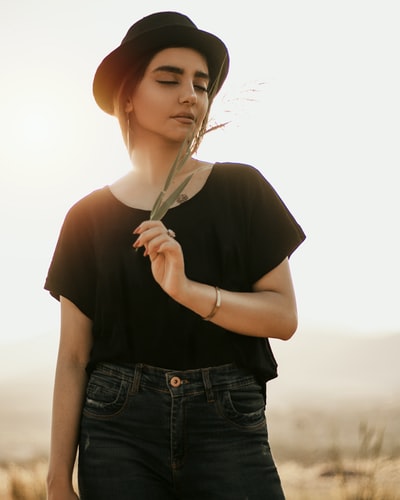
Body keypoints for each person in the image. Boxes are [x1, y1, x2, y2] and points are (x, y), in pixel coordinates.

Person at [45, 11, 305, 500]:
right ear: (127, 95)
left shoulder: (241, 188)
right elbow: (74, 357)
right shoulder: (87, 216)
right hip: (116, 429)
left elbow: (284, 316)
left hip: (228, 424)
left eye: (202, 84)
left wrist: (188, 291)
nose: (191, 95)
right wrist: (58, 476)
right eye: (169, 79)